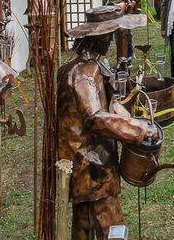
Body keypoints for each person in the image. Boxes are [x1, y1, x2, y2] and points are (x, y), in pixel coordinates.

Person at [58, 15, 160, 239]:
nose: (111, 40)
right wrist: (139, 129)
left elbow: (106, 104)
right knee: (110, 224)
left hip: (84, 163)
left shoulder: (86, 67)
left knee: (83, 224)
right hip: (92, 164)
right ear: (98, 38)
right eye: (108, 36)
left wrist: (119, 101)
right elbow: (94, 117)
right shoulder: (83, 73)